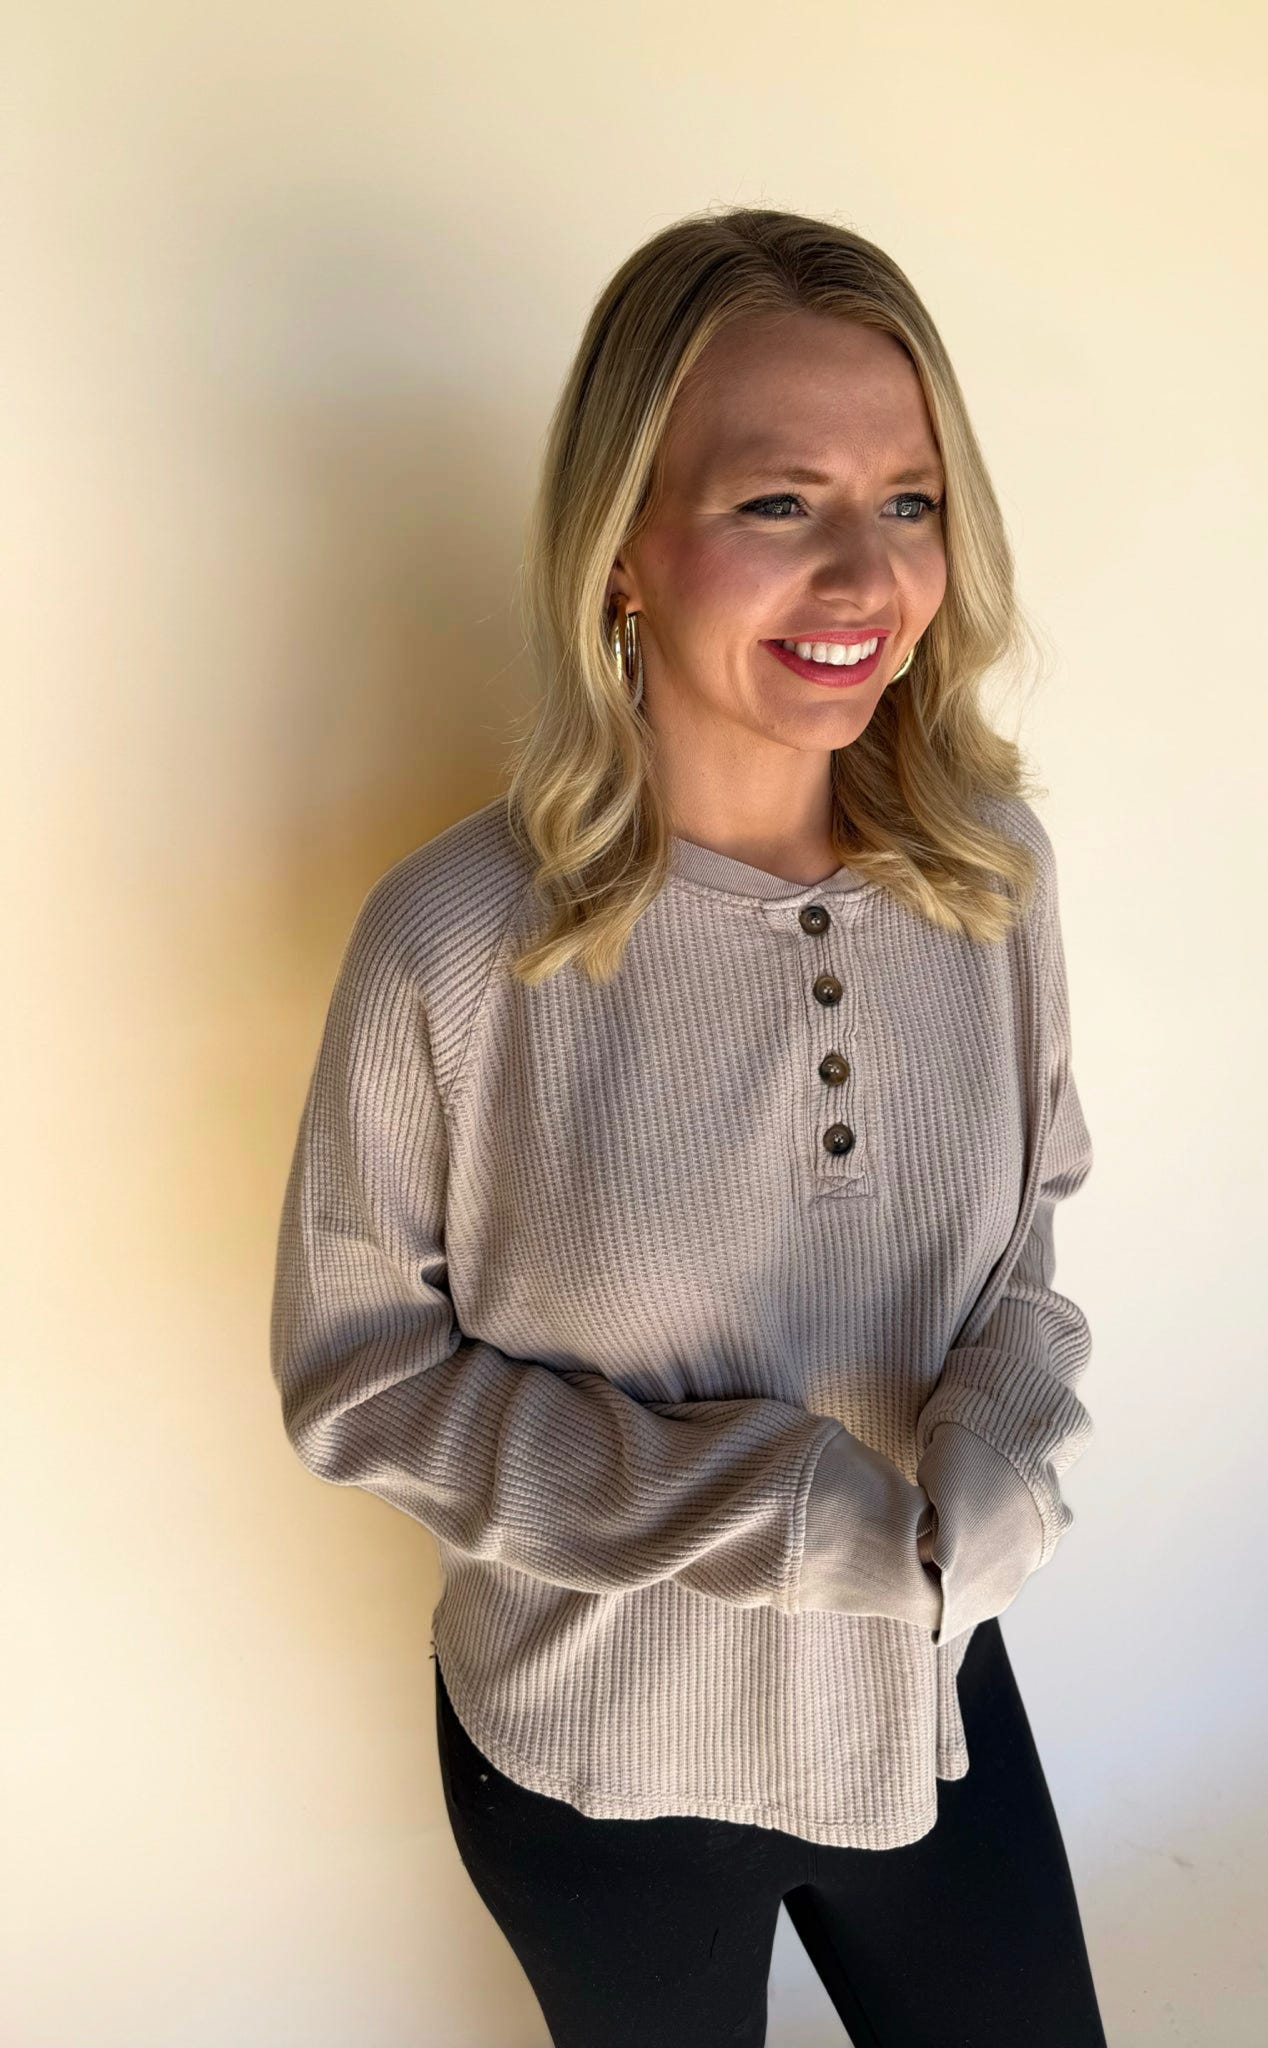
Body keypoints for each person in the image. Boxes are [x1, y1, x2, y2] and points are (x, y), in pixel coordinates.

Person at [270, 203, 1106, 2045]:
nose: (865, 579)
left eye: (910, 500)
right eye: (779, 503)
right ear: (626, 548)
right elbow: (360, 1376)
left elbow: (1031, 1232)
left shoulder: (991, 878)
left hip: (919, 1697)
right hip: (600, 1762)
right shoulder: (458, 939)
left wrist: (1005, 1428)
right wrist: (781, 1505)